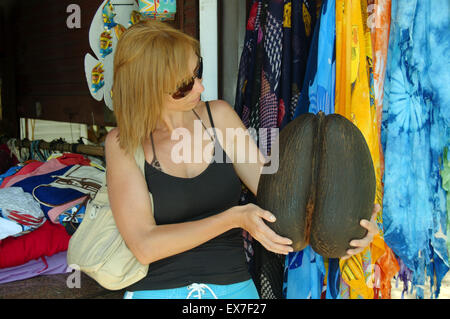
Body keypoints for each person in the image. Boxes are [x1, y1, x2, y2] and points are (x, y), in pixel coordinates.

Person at [105, 20, 379, 299]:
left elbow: (281, 200)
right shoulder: (123, 143)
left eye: (197, 71)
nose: (200, 87)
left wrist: (348, 221)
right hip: (157, 291)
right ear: (146, 88)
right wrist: (234, 218)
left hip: (233, 290)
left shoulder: (219, 118)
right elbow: (144, 245)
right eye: (184, 85)